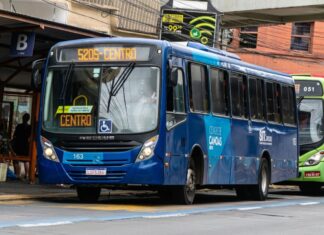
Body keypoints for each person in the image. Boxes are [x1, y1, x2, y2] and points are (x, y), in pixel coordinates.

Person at [12, 113, 31, 180]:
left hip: (18, 144)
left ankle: (17, 174)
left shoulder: (19, 126)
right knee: (26, 160)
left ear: (23, 118)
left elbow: (14, 136)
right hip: (26, 145)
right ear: (28, 119)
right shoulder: (30, 127)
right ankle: (27, 174)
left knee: (16, 159)